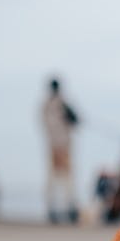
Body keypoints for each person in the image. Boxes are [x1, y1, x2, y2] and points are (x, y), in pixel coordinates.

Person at [41, 78, 80, 224]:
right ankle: (61, 207)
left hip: (58, 145)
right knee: (61, 178)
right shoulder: (58, 104)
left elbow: (74, 121)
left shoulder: (51, 104)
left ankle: (62, 207)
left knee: (60, 178)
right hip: (59, 145)